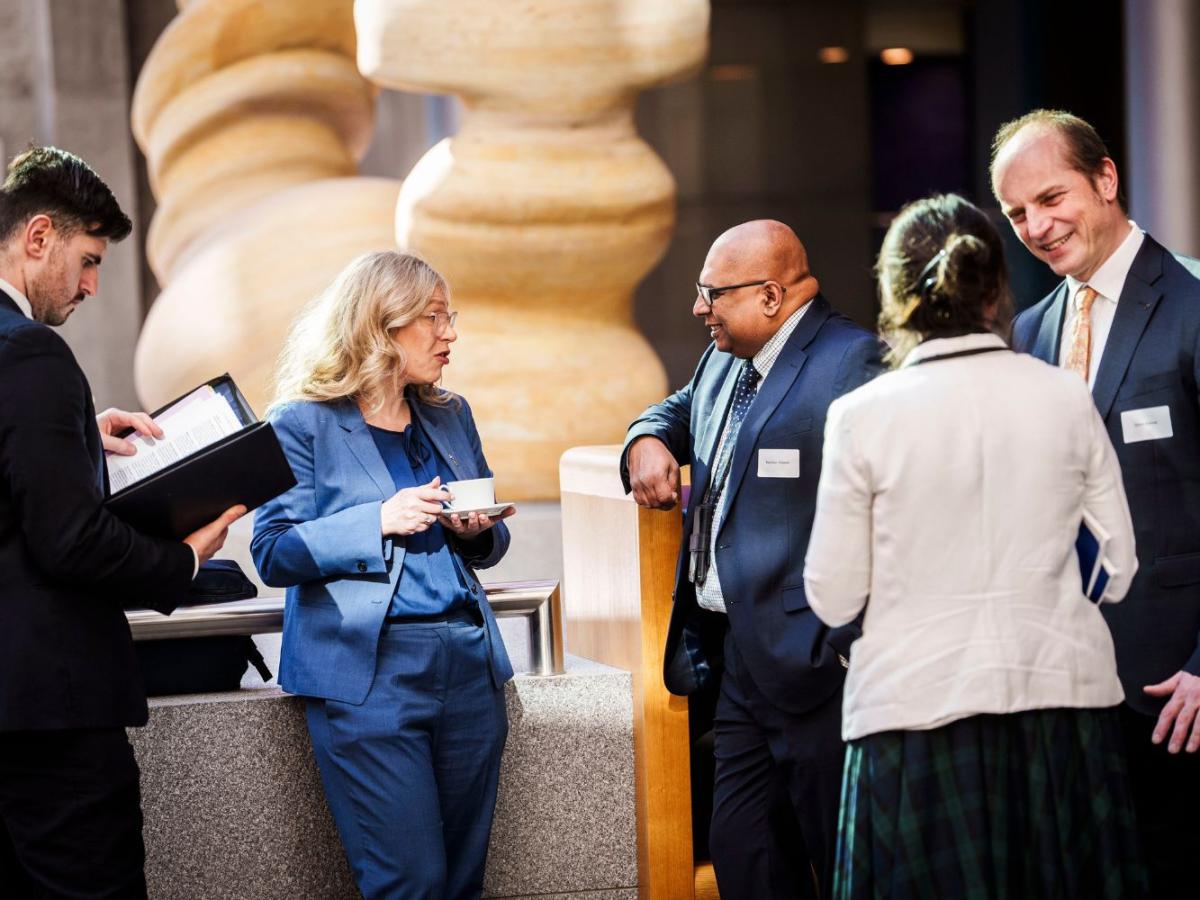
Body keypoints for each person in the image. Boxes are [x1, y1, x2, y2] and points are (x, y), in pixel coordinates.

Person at [804, 193, 1147, 899]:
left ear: (896, 294)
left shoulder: (860, 416)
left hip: (912, 709)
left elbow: (832, 594)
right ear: (996, 288)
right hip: (1062, 704)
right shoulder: (1062, 396)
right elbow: (1119, 565)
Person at [0, 146, 243, 897]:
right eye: (88, 259)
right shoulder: (33, 353)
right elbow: (69, 539)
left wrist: (79, 442)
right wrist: (187, 561)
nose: (92, 286)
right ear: (38, 237)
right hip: (49, 721)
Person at [622, 220, 885, 900]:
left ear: (770, 296)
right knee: (744, 853)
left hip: (820, 665)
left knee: (846, 863)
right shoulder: (725, 357)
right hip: (738, 661)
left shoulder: (852, 361)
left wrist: (848, 643)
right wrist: (646, 439)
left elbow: (890, 508)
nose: (697, 308)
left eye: (712, 293)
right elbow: (679, 411)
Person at [251, 250, 514, 900]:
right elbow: (272, 551)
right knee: (411, 883)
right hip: (369, 679)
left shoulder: (450, 413)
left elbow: (492, 540)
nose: (450, 332)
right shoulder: (299, 424)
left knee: (461, 881)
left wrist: (476, 530)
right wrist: (378, 520)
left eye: (449, 316)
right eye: (433, 317)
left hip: (468, 667)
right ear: (381, 325)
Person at [991, 109, 1200, 896]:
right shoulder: (1030, 332)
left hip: (1178, 696)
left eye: (1052, 197)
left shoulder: (1193, 302)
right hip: (1066, 699)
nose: (1038, 227)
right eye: (1019, 214)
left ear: (1106, 179)